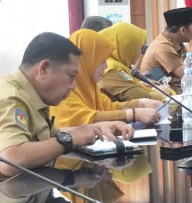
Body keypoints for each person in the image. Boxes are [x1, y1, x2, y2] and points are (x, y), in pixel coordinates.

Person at [0, 32, 133, 179]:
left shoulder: (31, 95)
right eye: (71, 76)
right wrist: (70, 138)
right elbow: (11, 160)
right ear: (44, 69)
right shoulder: (11, 98)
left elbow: (49, 137)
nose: (73, 85)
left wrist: (95, 128)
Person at [51, 29, 162, 128]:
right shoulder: (63, 88)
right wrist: (133, 114)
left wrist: (141, 103)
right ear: (88, 60)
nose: (105, 65)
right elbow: (84, 118)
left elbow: (108, 107)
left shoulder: (89, 85)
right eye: (102, 60)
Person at [98, 22, 172, 102]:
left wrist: (139, 85)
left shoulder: (118, 64)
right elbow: (139, 98)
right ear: (127, 47)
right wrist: (162, 92)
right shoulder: (110, 69)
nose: (140, 53)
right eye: (138, 47)